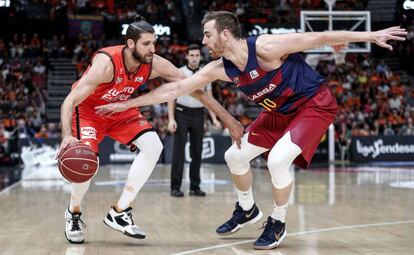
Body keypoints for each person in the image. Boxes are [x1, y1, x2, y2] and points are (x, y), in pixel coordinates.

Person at [95, 11, 406, 250]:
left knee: (277, 161)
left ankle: (278, 222)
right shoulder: (219, 68)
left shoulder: (267, 46)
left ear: (225, 35)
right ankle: (247, 209)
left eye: (207, 35)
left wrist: (372, 35)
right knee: (234, 156)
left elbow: (321, 37)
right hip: (279, 113)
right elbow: (174, 89)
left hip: (314, 105)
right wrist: (126, 105)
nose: (203, 42)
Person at [57, 15, 244, 244]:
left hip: (119, 110)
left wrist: (228, 119)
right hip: (88, 112)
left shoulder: (154, 63)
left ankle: (120, 211)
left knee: (154, 145)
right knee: (86, 165)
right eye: (146, 44)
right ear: (130, 44)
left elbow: (195, 89)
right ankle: (74, 212)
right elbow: (70, 100)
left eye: (154, 43)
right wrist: (67, 135)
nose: (152, 49)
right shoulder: (106, 64)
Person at [168, 44, 221, 197]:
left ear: (200, 57)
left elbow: (209, 98)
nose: (194, 58)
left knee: (197, 152)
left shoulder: (206, 74)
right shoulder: (180, 73)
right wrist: (171, 119)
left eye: (197, 55)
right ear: (187, 57)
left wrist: (214, 117)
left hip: (199, 114)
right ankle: (175, 187)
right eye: (191, 55)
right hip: (181, 112)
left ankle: (195, 186)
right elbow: (171, 95)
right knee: (178, 152)